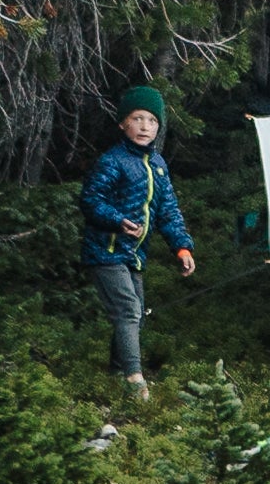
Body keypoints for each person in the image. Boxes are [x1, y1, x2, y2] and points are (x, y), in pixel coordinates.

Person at [80, 85, 196, 394]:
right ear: (122, 123)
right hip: (105, 251)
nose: (145, 126)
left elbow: (168, 211)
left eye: (152, 121)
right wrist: (117, 221)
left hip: (134, 255)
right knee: (128, 310)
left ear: (158, 126)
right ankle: (134, 380)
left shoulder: (158, 166)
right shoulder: (113, 161)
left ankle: (116, 375)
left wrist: (181, 246)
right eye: (137, 118)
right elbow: (91, 201)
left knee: (136, 315)